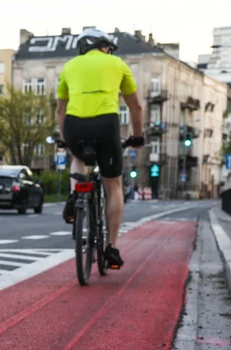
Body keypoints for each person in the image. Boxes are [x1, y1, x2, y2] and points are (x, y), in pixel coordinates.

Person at [57, 29, 145, 270]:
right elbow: (136, 106)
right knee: (112, 184)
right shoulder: (117, 63)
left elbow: (60, 111)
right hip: (106, 125)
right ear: (104, 46)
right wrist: (138, 136)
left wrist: (65, 139)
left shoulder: (69, 66)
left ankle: (76, 195)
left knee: (77, 156)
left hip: (75, 124)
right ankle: (112, 247)